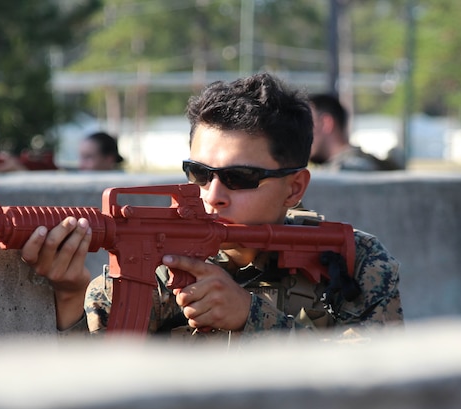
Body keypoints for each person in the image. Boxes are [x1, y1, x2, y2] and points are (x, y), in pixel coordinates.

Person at [20, 73, 403, 341]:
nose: (213, 193)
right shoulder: (153, 262)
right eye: (200, 173)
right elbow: (97, 390)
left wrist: (250, 318)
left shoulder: (353, 261)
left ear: (294, 188)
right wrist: (72, 293)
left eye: (240, 177)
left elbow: (380, 386)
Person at [307, 93, 401, 171]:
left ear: (326, 123)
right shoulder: (366, 163)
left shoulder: (348, 169)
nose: (301, 135)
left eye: (306, 125)